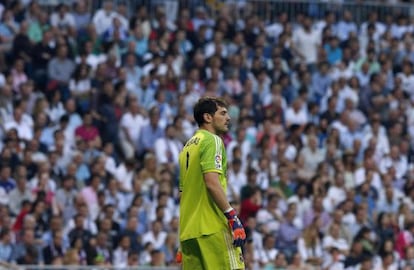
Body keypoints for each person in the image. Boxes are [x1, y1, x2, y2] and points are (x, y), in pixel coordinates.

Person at [178, 97, 246, 269]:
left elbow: (183, 194)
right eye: (222, 113)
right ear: (208, 117)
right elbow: (211, 182)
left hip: (189, 233)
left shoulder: (187, 147)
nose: (228, 118)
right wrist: (232, 216)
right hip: (212, 227)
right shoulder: (212, 140)